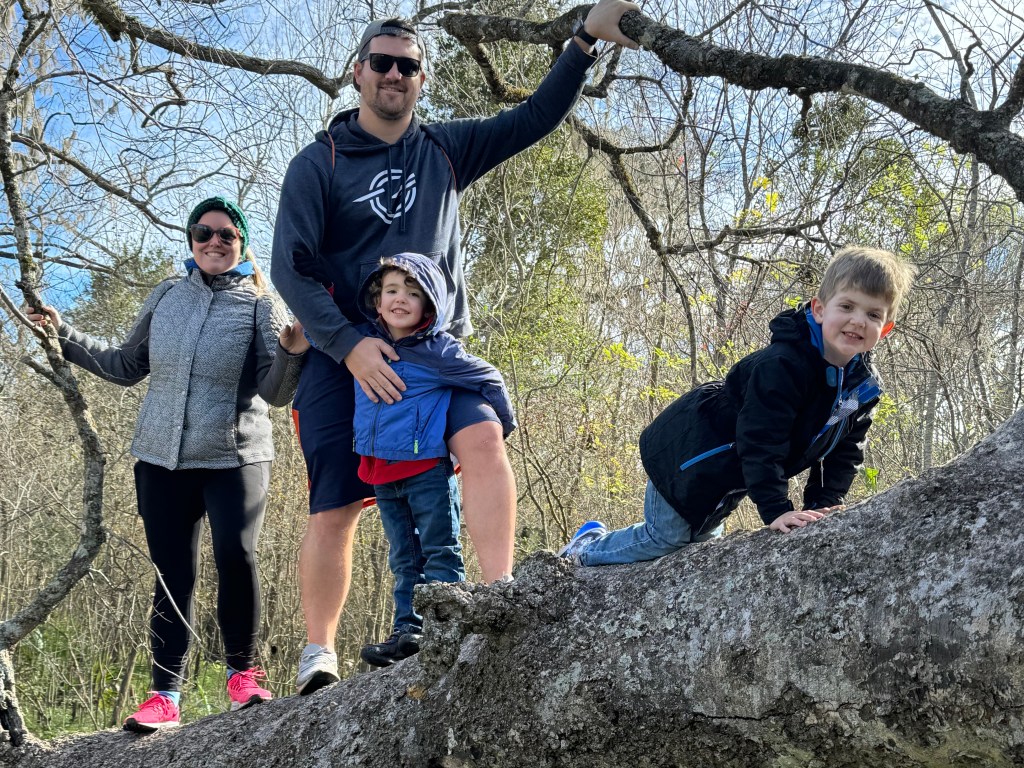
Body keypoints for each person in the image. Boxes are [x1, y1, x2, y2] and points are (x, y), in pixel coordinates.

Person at [271, 0, 639, 694]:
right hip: (342, 356)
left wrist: (584, 39)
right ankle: (319, 654)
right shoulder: (318, 164)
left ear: (421, 80)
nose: (394, 75)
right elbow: (289, 268)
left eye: (408, 67)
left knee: (484, 439)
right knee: (336, 506)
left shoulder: (443, 150)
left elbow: (533, 118)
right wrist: (349, 347)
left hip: (432, 356)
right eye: (382, 62)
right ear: (357, 73)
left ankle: (498, 598)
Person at [28, 197, 309, 732]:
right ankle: (165, 696)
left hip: (235, 458)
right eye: (203, 232)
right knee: (171, 574)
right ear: (191, 239)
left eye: (227, 234)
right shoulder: (166, 296)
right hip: (160, 459)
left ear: (242, 244)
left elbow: (275, 393)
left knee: (236, 556)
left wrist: (292, 352)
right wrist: (63, 335)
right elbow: (125, 365)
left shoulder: (260, 304)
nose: (214, 241)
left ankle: (243, 676)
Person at [559, 246, 917, 565]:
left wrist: (822, 506)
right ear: (819, 309)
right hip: (689, 450)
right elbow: (761, 440)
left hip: (729, 471)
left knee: (699, 543)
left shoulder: (863, 387)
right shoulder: (783, 366)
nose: (858, 320)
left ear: (886, 329)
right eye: (847, 306)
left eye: (873, 315)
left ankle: (600, 540)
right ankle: (584, 548)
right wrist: (776, 510)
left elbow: (845, 452)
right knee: (666, 538)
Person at [352, 253, 516, 668]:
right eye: (391, 291)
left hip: (426, 468)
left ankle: (447, 627)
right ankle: (408, 630)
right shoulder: (361, 344)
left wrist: (502, 423)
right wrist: (296, 341)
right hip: (382, 471)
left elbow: (488, 377)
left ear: (429, 306)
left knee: (440, 549)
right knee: (403, 556)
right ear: (377, 300)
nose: (400, 299)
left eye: (412, 293)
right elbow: (320, 338)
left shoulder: (438, 351)